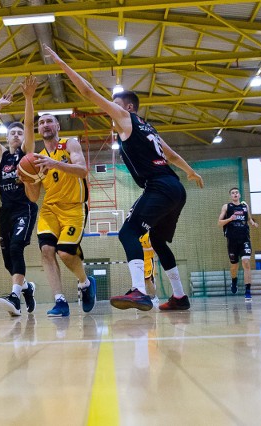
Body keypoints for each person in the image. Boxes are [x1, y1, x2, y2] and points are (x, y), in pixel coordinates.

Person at [42, 45, 204, 312]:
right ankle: (179, 296)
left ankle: (139, 291)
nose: (110, 110)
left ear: (128, 107)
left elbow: (87, 92)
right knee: (158, 241)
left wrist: (60, 62)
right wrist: (190, 172)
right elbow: (172, 155)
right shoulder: (148, 128)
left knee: (129, 231)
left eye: (115, 106)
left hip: (160, 187)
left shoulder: (127, 118)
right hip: (175, 188)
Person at [21, 89, 96, 318]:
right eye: (41, 122)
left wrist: (54, 163)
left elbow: (82, 169)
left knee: (65, 254)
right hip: (50, 209)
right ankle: (60, 301)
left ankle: (85, 283)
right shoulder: (36, 158)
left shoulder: (69, 144)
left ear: (57, 127)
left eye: (49, 121)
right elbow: (34, 197)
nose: (44, 125)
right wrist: (27, 178)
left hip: (74, 207)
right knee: (46, 250)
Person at [0, 76, 38, 316]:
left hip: (24, 208)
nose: (16, 134)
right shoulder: (3, 155)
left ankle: (14, 297)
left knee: (17, 247)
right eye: (12, 132)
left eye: (19, 133)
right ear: (7, 137)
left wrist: (28, 99)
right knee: (8, 260)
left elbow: (28, 125)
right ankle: (27, 287)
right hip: (5, 211)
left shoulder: (26, 153)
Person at [218, 187, 259, 300]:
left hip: (244, 239)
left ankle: (247, 291)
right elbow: (219, 223)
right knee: (234, 266)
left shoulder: (245, 207)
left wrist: (253, 223)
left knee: (246, 263)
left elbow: (249, 219)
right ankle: (234, 281)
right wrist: (230, 219)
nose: (235, 194)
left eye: (236, 192)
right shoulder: (227, 207)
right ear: (230, 196)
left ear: (239, 195)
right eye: (232, 193)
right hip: (232, 240)